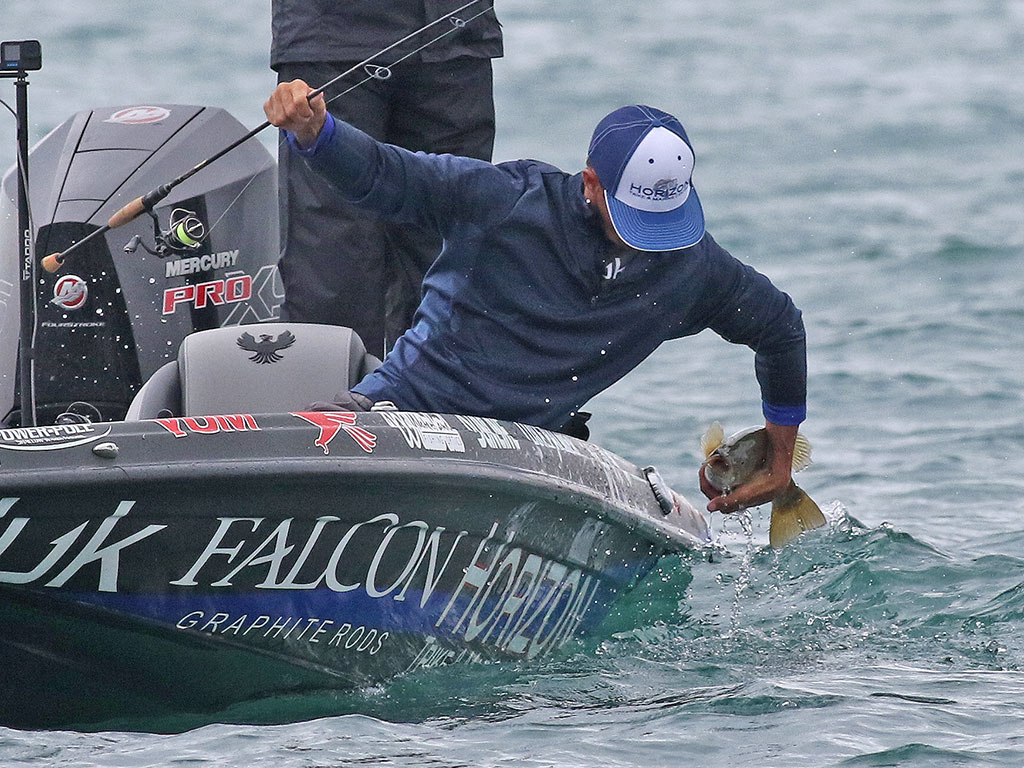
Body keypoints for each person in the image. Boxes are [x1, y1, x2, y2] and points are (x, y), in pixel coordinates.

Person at [263, 83, 809, 515]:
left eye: (664, 221)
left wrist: (780, 459)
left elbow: (781, 328)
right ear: (591, 183)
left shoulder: (692, 265)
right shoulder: (507, 200)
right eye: (636, 220)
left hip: (534, 452)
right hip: (406, 411)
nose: (653, 243)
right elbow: (388, 175)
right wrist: (316, 132)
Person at [270, 0, 503, 355]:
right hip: (330, 41)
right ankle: (328, 386)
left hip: (456, 38)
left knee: (450, 261)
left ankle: (442, 384)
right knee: (334, 265)